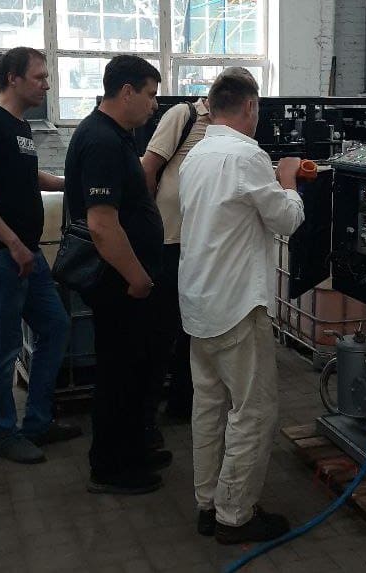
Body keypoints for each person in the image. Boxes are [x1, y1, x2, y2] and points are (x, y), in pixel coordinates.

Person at [178, 68, 305, 544]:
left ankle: (208, 503)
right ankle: (235, 516)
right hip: (237, 306)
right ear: (250, 106)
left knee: (209, 407)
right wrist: (288, 180)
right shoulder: (247, 155)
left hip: (199, 303)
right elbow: (286, 220)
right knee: (252, 412)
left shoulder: (196, 156)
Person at [64, 55, 172, 495]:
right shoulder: (101, 141)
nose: (154, 105)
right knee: (118, 374)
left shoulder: (116, 136)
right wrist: (137, 277)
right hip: (119, 283)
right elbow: (102, 224)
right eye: (150, 94)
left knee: (135, 369)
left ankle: (133, 449)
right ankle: (110, 468)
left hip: (129, 280)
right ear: (126, 91)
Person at [0, 47, 81, 464]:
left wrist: (69, 183)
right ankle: (4, 433)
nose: (46, 85)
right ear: (13, 78)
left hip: (24, 253)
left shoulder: (20, 126)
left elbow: (24, 175)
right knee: (3, 347)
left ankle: (37, 422)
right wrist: (13, 242)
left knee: (55, 326)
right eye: (39, 77)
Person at [141, 97, 211, 439]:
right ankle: (145, 418)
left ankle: (182, 403)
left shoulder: (227, 128)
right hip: (169, 241)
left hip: (199, 246)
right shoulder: (185, 115)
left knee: (191, 330)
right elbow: (148, 167)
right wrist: (148, 222)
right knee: (160, 331)